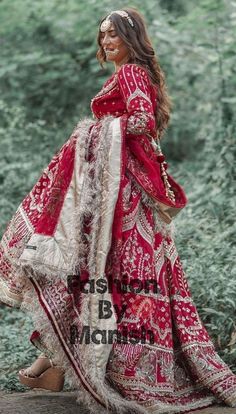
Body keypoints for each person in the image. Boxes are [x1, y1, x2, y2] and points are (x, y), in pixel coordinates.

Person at [0, 7, 236, 414]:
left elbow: (141, 121)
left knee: (103, 272)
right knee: (110, 274)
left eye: (113, 35)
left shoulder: (130, 73)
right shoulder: (135, 73)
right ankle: (52, 364)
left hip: (122, 195)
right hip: (123, 189)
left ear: (131, 37)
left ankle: (59, 365)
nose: (105, 42)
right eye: (102, 35)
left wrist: (89, 131)